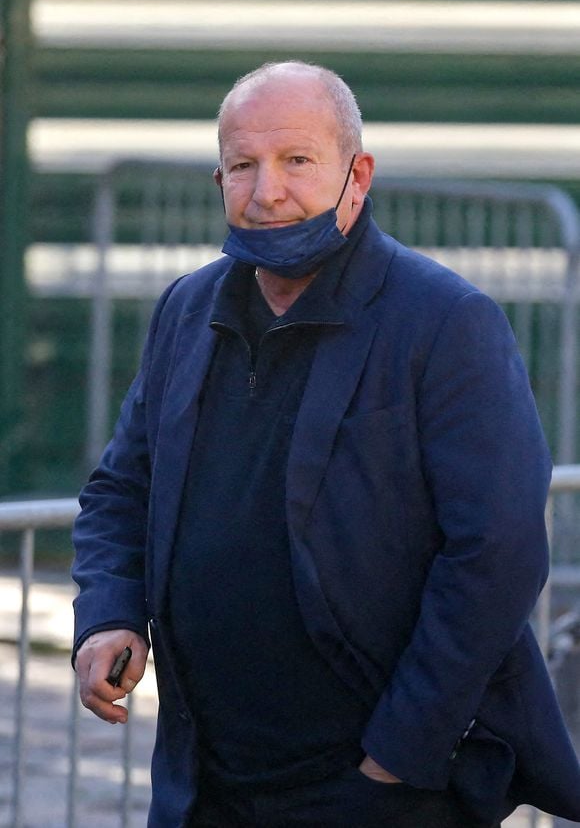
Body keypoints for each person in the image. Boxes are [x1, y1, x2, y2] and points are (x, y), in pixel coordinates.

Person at [72, 61, 580, 828]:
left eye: (297, 160)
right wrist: (110, 612)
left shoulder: (445, 322)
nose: (267, 191)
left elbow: (497, 551)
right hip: (206, 781)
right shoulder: (185, 310)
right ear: (219, 180)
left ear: (358, 175)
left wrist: (397, 754)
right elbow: (122, 488)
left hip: (374, 789)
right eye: (243, 165)